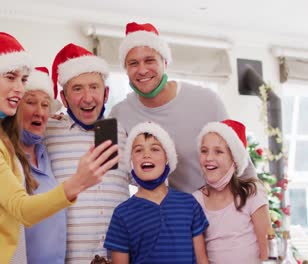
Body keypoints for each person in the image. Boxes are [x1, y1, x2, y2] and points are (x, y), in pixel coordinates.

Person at [0, 32, 119, 264]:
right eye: (11, 78)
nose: (19, 89)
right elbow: (16, 206)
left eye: (23, 80)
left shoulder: (40, 139)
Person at [109, 22, 256, 193]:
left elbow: (242, 164)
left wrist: (257, 209)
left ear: (165, 62)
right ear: (126, 69)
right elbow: (112, 173)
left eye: (149, 60)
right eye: (133, 63)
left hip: (218, 208)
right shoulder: (118, 114)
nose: (142, 70)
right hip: (170, 213)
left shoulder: (206, 101)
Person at [46, 43, 131, 263]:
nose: (87, 97)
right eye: (77, 89)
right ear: (63, 99)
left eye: (94, 87)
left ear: (106, 94)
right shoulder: (45, 132)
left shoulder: (123, 132)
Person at [104, 121, 209, 264]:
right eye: (138, 150)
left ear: (167, 158)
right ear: (131, 160)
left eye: (155, 149)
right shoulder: (122, 214)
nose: (146, 154)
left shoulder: (189, 204)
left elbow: (202, 260)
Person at [192, 119, 270, 263]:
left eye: (218, 152)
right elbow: (201, 258)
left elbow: (267, 249)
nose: (209, 158)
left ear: (235, 159)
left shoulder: (252, 193)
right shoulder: (196, 200)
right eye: (204, 151)